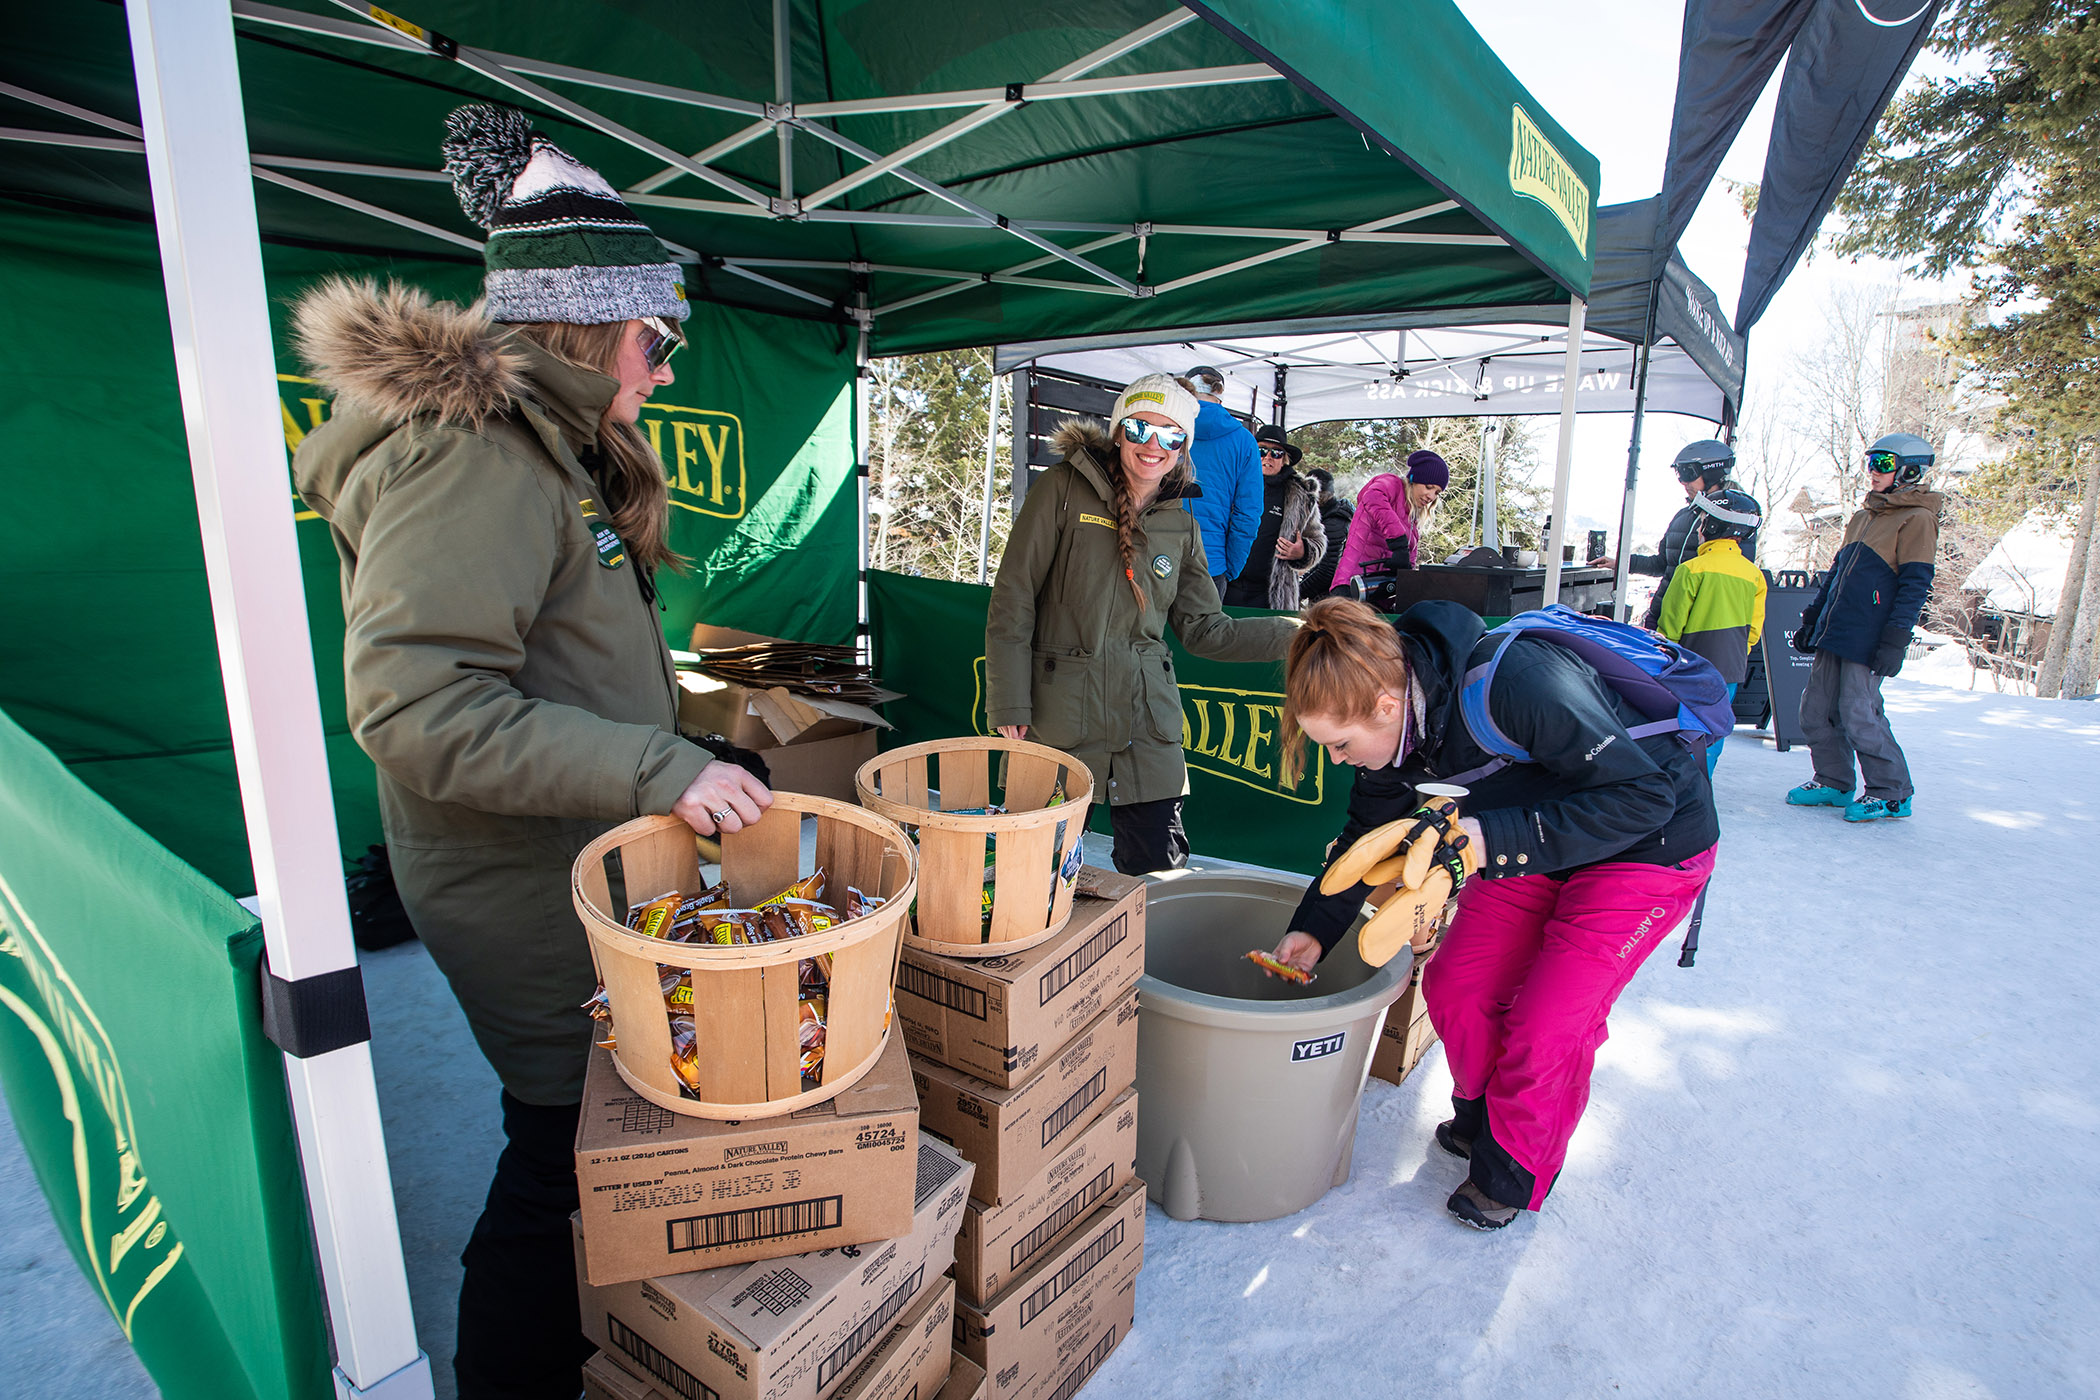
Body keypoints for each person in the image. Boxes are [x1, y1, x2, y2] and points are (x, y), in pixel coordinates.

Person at [290, 104, 772, 1400]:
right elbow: (419, 705)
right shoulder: (480, 454)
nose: (664, 370)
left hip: (574, 857)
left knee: (585, 1138)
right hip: (523, 883)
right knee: (556, 1146)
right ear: (591, 323)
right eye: (656, 340)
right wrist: (655, 771)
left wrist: (682, 737)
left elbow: (558, 652)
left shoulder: (552, 453)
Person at [1264, 597, 1718, 1228]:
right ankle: (1481, 1119)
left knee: (1549, 1021)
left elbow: (1646, 797)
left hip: (1647, 846)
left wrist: (1488, 840)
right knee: (1457, 983)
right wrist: (1313, 930)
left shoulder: (1519, 683)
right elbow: (1364, 837)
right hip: (1533, 837)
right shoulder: (1399, 742)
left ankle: (1513, 1169)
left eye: (1340, 744)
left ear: (1387, 705)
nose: (1337, 760)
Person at [986, 374, 1300, 874]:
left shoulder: (1182, 522)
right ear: (1117, 431)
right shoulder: (1064, 489)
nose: (1154, 445)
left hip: (1146, 722)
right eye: (1139, 428)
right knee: (1034, 867)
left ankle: (1140, 955)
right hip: (1059, 712)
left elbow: (1206, 630)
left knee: (1157, 870)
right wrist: (1008, 699)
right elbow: (1014, 598)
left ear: (1184, 444)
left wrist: (1299, 633)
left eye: (1171, 434)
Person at [1785, 433, 1943, 822]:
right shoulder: (1863, 517)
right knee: (1815, 710)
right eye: (1870, 462)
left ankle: (1891, 792)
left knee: (1860, 713)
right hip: (1836, 630)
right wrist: (1813, 617)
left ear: (1909, 470)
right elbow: (1837, 574)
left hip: (1870, 636)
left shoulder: (1917, 519)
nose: (1873, 471)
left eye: (1884, 464)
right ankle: (1834, 781)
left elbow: (1914, 585)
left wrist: (1895, 638)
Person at [1591, 439, 1761, 629]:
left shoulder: (1735, 522)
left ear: (1713, 472)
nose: (1684, 482)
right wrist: (1621, 563)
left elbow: (1733, 578)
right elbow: (1662, 564)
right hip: (1663, 617)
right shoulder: (1683, 516)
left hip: (1698, 626)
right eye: (1680, 475)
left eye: (1689, 474)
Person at [1656, 491, 1768, 775]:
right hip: (1730, 668)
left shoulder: (1692, 569)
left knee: (1681, 725)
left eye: (1704, 522)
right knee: (1714, 727)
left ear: (1716, 527)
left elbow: (1670, 627)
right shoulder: (1754, 575)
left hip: (1688, 666)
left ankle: (1675, 785)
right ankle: (1702, 786)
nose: (1700, 529)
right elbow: (1753, 631)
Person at [1222, 425, 1327, 610]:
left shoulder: (1301, 495)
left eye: (1276, 453)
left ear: (1285, 459)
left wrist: (1303, 552)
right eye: (1261, 451)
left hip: (1271, 595)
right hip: (1224, 586)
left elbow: (1318, 540)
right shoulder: (1229, 483)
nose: (1268, 457)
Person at [1183, 365, 1263, 592]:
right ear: (1221, 394)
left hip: (1157, 557)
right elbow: (1248, 514)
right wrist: (1230, 568)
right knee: (1204, 629)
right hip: (1211, 564)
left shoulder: (1168, 427)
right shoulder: (1244, 441)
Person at [1327, 449, 1448, 596]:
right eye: (1429, 487)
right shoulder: (1391, 483)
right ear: (1413, 480)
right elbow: (1372, 497)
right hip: (1353, 584)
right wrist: (1398, 541)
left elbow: (1408, 560)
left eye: (1437, 492)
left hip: (1381, 592)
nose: (1431, 496)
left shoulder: (1413, 518)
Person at [1300, 467, 1356, 597]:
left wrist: (1297, 592)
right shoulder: (1326, 515)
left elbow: (1327, 572)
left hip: (1332, 597)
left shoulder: (1335, 523)